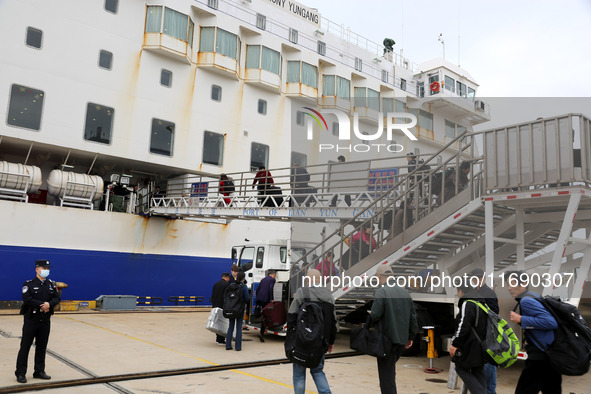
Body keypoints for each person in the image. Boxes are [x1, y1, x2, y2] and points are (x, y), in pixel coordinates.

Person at [506, 270, 561, 393]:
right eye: (508, 284)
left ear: (524, 283)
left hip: (540, 356)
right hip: (550, 354)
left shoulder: (527, 301)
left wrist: (521, 319)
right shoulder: (534, 296)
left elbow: (551, 322)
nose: (509, 288)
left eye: (513, 283)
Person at [370, 265, 418, 394]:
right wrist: (411, 337)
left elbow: (375, 314)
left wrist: (367, 325)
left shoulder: (382, 291)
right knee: (390, 371)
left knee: (386, 377)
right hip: (401, 342)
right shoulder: (405, 293)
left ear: (380, 276)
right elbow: (413, 317)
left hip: (386, 342)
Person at [287, 269, 337, 394]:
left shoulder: (302, 292)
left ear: (308, 280)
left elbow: (291, 315)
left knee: (299, 374)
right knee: (318, 371)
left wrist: (291, 338)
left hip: (302, 341)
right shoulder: (329, 296)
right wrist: (331, 341)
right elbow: (333, 322)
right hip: (320, 342)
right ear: (320, 280)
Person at [15, 260, 61, 384]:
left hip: (45, 320)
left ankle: (39, 371)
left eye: (47, 267)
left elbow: (57, 297)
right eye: (44, 267)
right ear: (37, 269)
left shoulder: (51, 284)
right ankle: (20, 373)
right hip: (31, 320)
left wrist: (49, 304)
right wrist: (42, 305)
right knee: (25, 347)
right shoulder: (28, 284)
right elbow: (27, 298)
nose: (46, 269)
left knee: (42, 347)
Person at [449, 283, 487, 394]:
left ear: (461, 290)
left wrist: (455, 344)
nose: (458, 294)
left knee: (461, 368)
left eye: (458, 291)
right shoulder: (481, 302)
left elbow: (463, 326)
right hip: (481, 343)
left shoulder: (467, 303)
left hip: (470, 345)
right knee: (478, 370)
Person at [470, 268, 499, 394]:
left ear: (484, 278)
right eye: (475, 278)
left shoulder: (488, 292)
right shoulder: (474, 292)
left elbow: (495, 312)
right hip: (478, 333)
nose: (478, 280)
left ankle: (490, 391)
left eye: (480, 277)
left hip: (488, 332)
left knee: (489, 363)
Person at [226, 272, 249, 351]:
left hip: (231, 308)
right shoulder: (244, 287)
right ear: (243, 278)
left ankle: (228, 345)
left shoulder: (231, 285)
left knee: (230, 327)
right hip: (239, 309)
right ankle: (238, 347)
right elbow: (247, 299)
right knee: (239, 328)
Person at [256, 270, 276, 342]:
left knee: (264, 314)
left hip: (260, 299)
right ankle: (262, 332)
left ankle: (262, 331)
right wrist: (272, 299)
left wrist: (258, 297)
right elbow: (271, 288)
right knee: (266, 315)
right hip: (266, 299)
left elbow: (258, 289)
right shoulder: (272, 279)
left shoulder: (263, 279)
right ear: (273, 274)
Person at [211, 272, 230, 345]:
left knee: (217, 322)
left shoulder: (216, 284)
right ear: (227, 277)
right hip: (222, 306)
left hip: (215, 306)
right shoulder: (226, 285)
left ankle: (217, 339)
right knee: (222, 323)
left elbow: (213, 295)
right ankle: (221, 340)